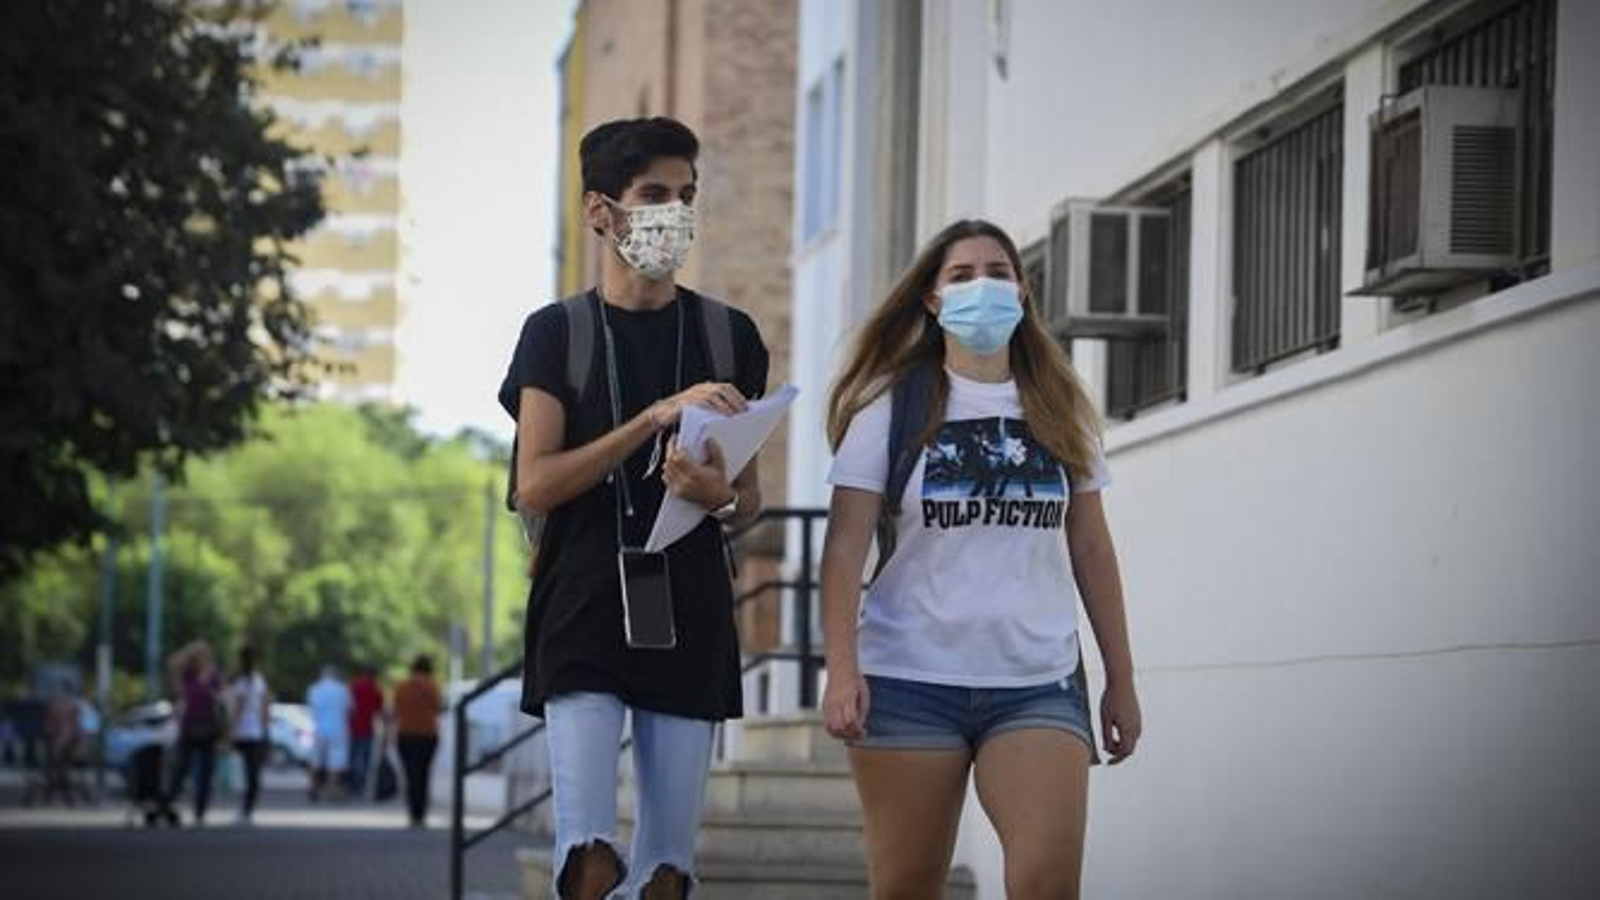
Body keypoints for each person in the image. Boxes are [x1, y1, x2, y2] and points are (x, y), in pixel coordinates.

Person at [819, 219, 1143, 899]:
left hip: (1036, 682)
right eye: (961, 276)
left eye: (998, 272)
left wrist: (1121, 677)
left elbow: (1091, 547)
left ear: (1023, 293)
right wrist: (842, 668)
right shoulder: (888, 407)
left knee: (1047, 884)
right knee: (906, 886)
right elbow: (844, 550)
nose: (982, 286)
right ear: (932, 301)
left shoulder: (1060, 406)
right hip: (908, 680)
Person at [497, 115, 769, 899]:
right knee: (587, 855)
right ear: (600, 211)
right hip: (583, 597)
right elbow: (535, 485)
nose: (674, 213)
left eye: (687, 195)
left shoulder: (729, 335)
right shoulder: (558, 333)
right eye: (654, 194)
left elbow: (747, 498)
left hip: (688, 599)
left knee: (667, 872)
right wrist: (651, 419)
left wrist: (721, 496)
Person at [165, 642, 226, 825]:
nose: (199, 659)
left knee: (206, 772)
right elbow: (172, 662)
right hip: (189, 727)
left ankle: (200, 811)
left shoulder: (214, 675)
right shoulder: (187, 674)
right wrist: (190, 649)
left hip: (209, 727)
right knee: (181, 768)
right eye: (196, 656)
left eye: (202, 655)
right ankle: (168, 802)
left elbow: (223, 700)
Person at [391, 654, 442, 828]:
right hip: (428, 734)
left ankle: (413, 813)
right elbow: (438, 707)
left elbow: (396, 708)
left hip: (405, 733)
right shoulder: (432, 685)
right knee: (423, 773)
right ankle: (421, 814)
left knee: (410, 774)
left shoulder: (402, 686)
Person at [228, 645, 271, 824]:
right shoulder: (259, 681)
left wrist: (231, 731)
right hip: (256, 733)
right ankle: (248, 809)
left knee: (244, 774)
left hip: (243, 733)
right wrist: (264, 730)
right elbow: (264, 708)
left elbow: (238, 709)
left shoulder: (241, 682)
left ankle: (244, 809)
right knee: (253, 773)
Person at [305, 665, 352, 801]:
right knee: (335, 761)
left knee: (316, 759)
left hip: (319, 728)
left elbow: (311, 709)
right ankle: (331, 789)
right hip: (338, 728)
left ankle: (312, 786)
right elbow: (349, 709)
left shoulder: (314, 689)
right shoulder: (342, 689)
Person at [346, 664, 383, 797]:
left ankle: (351, 783)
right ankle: (360, 784)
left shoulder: (353, 686)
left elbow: (347, 706)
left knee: (352, 756)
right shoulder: (375, 689)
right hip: (367, 728)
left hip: (353, 726)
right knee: (365, 759)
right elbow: (379, 709)